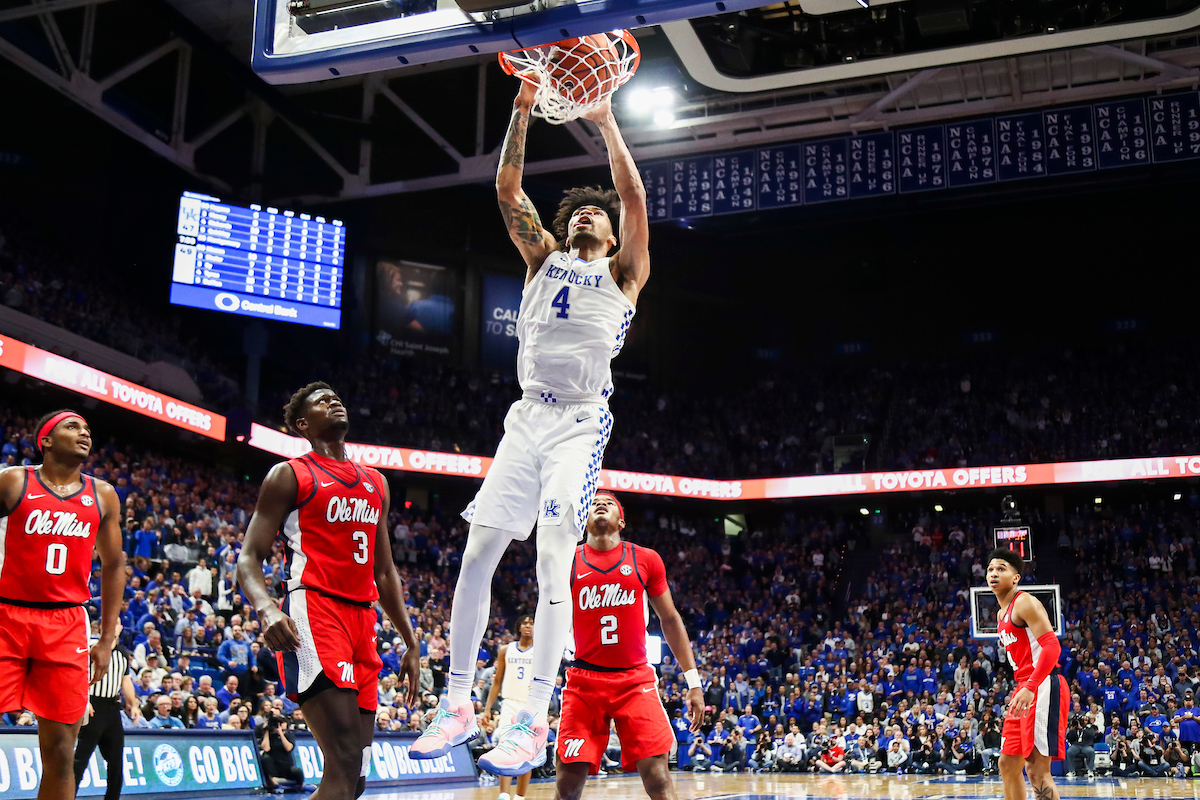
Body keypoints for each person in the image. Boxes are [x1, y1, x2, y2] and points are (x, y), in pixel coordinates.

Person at [411, 76, 652, 776]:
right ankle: (457, 701)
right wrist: (521, 106)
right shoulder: (541, 259)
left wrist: (605, 122)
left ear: (609, 237)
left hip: (579, 425)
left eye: (590, 216)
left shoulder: (624, 274)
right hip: (525, 420)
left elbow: (633, 198)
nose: (580, 218)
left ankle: (531, 718)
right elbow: (509, 191)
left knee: (553, 560)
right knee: (477, 552)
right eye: (573, 212)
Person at [237, 384, 421, 800]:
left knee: (355, 778)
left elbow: (386, 571)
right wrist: (266, 608)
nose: (335, 401)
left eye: (337, 397)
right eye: (322, 401)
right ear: (303, 424)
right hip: (314, 610)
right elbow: (249, 557)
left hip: (364, 621)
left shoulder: (377, 483)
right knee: (343, 762)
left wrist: (411, 640)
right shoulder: (289, 474)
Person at [0, 410, 124, 800]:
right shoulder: (13, 480)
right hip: (6, 613)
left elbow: (115, 564)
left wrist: (105, 639)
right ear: (46, 440)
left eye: (87, 429)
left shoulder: (102, 494)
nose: (84, 433)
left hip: (66, 621)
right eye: (72, 427)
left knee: (60, 751)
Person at [552, 493, 704, 800]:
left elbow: (671, 619)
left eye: (608, 502)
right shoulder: (566, 560)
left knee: (659, 778)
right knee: (568, 783)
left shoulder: (645, 558)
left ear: (621, 520)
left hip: (635, 680)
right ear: (584, 522)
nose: (600, 503)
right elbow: (548, 621)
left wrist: (694, 683)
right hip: (584, 681)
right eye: (594, 501)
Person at [987, 549, 1069, 800]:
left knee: (1036, 770)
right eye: (991, 569)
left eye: (1001, 568)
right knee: (1008, 763)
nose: (994, 573)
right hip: (1025, 688)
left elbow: (1053, 646)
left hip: (1042, 684)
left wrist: (1031, 686)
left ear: (1015, 578)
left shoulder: (1024, 601)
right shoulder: (1001, 614)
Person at [479, 615, 537, 800]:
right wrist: (487, 709)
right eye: (525, 623)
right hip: (509, 703)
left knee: (526, 751)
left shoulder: (541, 651)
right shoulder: (506, 650)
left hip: (530, 705)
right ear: (519, 627)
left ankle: (520, 796)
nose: (528, 626)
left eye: (532, 623)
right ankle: (504, 794)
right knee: (506, 748)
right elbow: (497, 681)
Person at [73, 633, 135, 800]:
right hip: (92, 704)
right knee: (81, 759)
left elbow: (126, 680)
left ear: (121, 628)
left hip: (113, 707)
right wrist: (84, 698)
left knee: (116, 762)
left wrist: (134, 703)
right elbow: (79, 673)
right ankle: (67, 796)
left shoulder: (122, 653)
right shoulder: (93, 647)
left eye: (118, 623)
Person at [261, 715, 306, 788]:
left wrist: (281, 733)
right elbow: (266, 749)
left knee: (297, 771)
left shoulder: (289, 735)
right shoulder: (269, 736)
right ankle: (274, 783)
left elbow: (288, 748)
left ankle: (300, 786)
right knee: (265, 758)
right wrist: (266, 731)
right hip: (274, 767)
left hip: (286, 767)